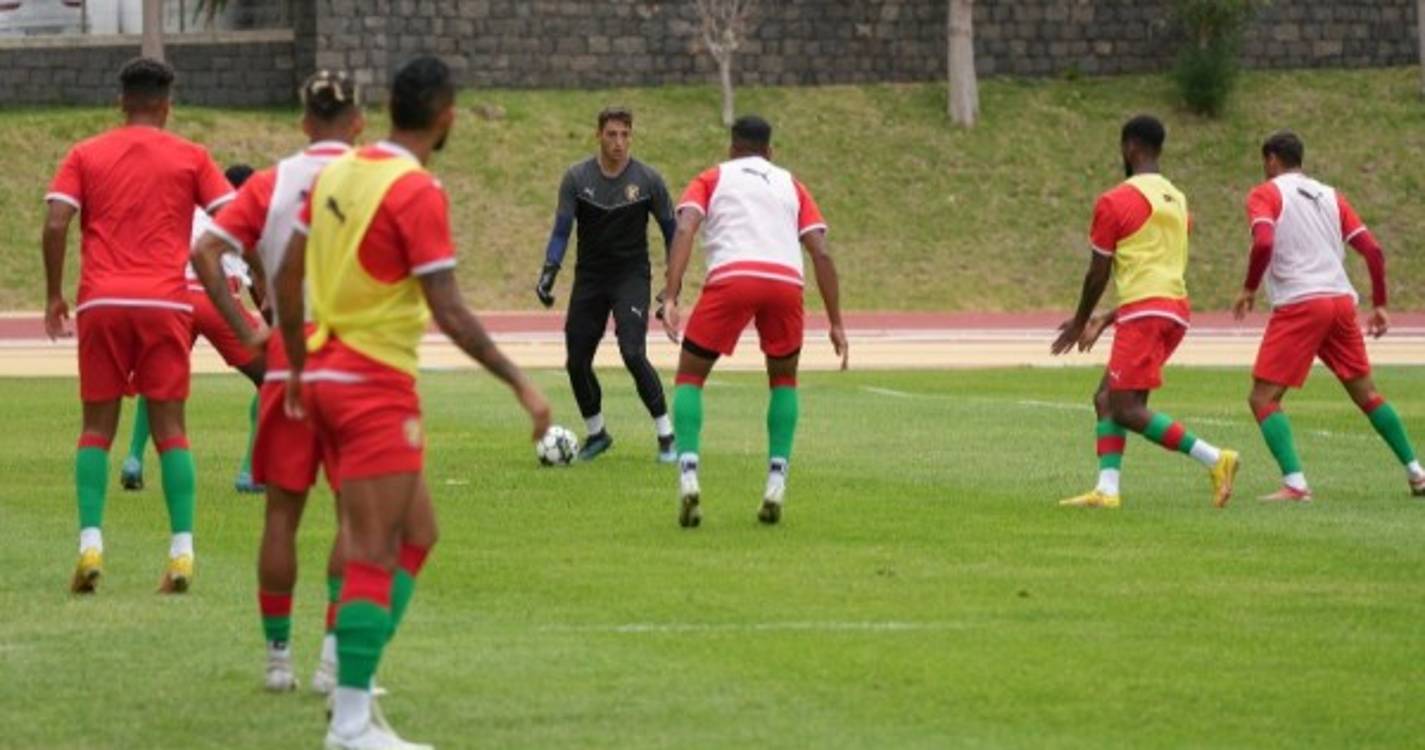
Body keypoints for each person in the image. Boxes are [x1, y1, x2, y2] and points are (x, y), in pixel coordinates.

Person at [275, 56, 551, 750]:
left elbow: (284, 273)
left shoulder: (339, 171)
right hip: (372, 386)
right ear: (446, 116)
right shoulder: (416, 190)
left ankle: (354, 684)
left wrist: (300, 364)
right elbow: (449, 310)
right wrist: (520, 383)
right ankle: (348, 722)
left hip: (329, 375)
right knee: (373, 550)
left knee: (418, 533)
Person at [190, 70, 364, 694]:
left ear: (303, 121)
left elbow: (205, 252)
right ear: (358, 121)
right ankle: (333, 662)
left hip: (289, 356)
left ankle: (278, 659)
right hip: (353, 360)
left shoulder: (273, 181)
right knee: (354, 517)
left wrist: (249, 327)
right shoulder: (378, 179)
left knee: (281, 517)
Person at [43, 57, 235, 594]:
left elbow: (56, 221)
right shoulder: (192, 156)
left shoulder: (85, 153)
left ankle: (90, 544)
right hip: (165, 302)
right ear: (167, 106)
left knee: (95, 429)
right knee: (171, 429)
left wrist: (54, 293)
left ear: (120, 102)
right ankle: (182, 554)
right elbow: (232, 217)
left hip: (103, 299)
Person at [660, 115, 848, 528]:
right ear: (770, 151)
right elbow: (820, 252)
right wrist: (836, 322)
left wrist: (671, 296)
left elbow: (685, 228)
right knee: (783, 381)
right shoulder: (792, 184)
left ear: (732, 148)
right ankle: (776, 482)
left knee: (690, 377)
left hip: (733, 277)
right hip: (785, 283)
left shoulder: (712, 178)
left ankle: (688, 474)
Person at [1051, 114, 1239, 510]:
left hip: (1146, 313)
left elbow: (1098, 271)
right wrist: (1106, 319)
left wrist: (1081, 321)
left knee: (1125, 408)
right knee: (1106, 398)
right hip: (1172, 310)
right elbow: (1155, 269)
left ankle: (1215, 458)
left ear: (1130, 147)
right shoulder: (1178, 201)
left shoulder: (1116, 200)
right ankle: (1107, 490)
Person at [1233, 130, 1425, 501]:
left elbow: (1265, 240)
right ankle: (1417, 473)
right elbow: (1373, 250)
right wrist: (1380, 304)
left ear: (1272, 159)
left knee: (1263, 399)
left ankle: (1295, 484)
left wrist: (1249, 288)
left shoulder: (1266, 194)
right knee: (1367, 394)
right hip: (1339, 302)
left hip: (1301, 303)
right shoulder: (1330, 195)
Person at [535, 107, 677, 462]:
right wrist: (549, 271)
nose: (619, 142)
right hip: (590, 278)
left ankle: (666, 436)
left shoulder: (648, 180)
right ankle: (597, 434)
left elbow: (673, 234)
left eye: (625, 134)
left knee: (633, 352)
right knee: (576, 361)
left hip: (631, 276)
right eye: (612, 134)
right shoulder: (576, 177)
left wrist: (672, 288)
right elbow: (562, 230)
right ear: (598, 135)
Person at [121, 164, 268, 494]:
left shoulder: (191, 212)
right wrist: (267, 323)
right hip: (216, 299)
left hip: (174, 299)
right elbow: (257, 283)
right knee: (272, 378)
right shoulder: (242, 214)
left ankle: (133, 458)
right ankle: (251, 472)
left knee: (156, 379)